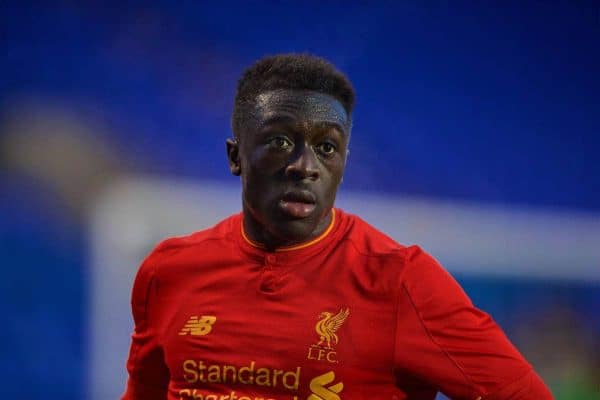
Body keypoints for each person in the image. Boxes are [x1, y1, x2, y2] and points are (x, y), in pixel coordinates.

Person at [122, 54, 553, 400]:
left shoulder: (401, 281)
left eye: (327, 147)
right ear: (236, 157)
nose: (305, 167)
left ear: (343, 164)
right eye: (280, 142)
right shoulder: (169, 272)